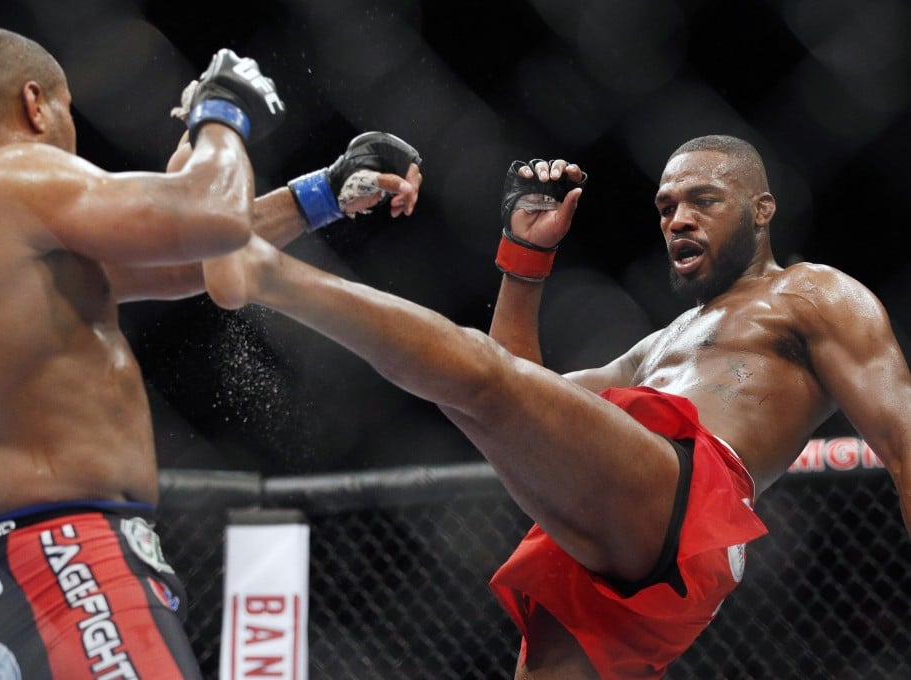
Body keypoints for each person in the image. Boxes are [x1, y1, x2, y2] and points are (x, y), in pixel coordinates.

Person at [201, 135, 911, 679]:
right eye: (666, 207)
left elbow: (902, 436)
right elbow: (523, 395)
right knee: (482, 389)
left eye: (703, 201)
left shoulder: (816, 294)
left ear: (762, 210)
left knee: (475, 374)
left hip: (692, 499)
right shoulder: (657, 347)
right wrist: (524, 257)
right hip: (618, 537)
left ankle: (264, 271)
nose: (679, 220)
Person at [0, 27, 420, 679]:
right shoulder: (8, 174)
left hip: (27, 563)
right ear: (34, 104)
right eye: (66, 114)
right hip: (69, 556)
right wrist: (223, 110)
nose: (70, 139)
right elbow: (210, 212)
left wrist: (323, 192)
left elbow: (178, 261)